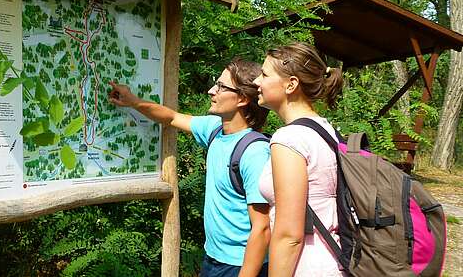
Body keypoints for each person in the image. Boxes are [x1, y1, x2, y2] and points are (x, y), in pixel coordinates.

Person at [108, 58, 271, 277]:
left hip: (240, 264)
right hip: (213, 257)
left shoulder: (254, 152)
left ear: (242, 98)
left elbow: (261, 227)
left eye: (222, 87)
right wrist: (133, 102)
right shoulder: (215, 129)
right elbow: (172, 117)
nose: (211, 90)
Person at [253, 42, 345, 277]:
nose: (257, 82)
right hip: (335, 261)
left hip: (306, 267)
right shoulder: (326, 130)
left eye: (264, 75)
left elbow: (289, 236)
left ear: (291, 84)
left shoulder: (289, 138)